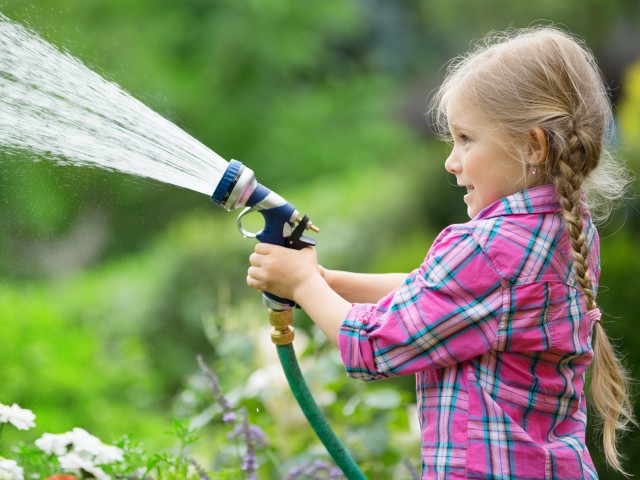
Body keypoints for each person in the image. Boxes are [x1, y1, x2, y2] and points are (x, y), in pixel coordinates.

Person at [246, 26, 636, 479]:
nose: (452, 161)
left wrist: (303, 283)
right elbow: (435, 294)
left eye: (466, 139)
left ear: (532, 146)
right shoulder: (563, 228)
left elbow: (374, 347)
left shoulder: (489, 250)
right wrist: (327, 282)